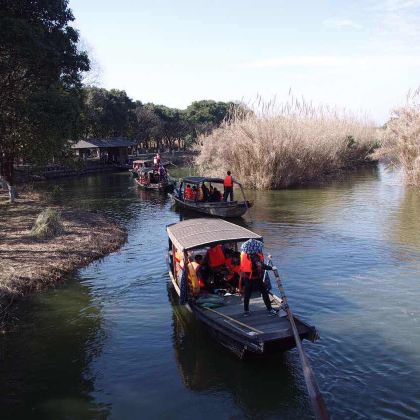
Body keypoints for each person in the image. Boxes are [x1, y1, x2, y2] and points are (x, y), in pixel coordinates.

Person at [239, 250, 278, 316]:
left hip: (247, 277)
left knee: (247, 295)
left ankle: (246, 311)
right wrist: (271, 268)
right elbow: (261, 265)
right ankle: (270, 309)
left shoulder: (244, 254)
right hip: (255, 278)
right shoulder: (254, 256)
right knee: (264, 293)